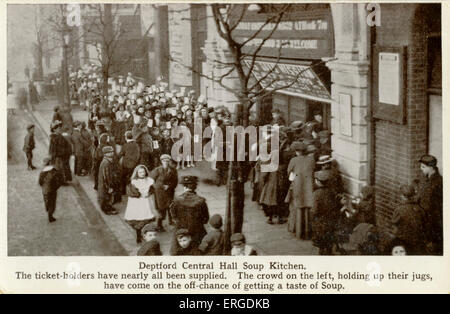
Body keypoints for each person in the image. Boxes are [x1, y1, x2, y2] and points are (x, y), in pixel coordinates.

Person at [169, 176, 209, 253]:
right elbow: (206, 219)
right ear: (195, 187)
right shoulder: (201, 201)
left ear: (184, 187)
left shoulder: (176, 201)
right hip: (197, 231)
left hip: (180, 230)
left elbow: (173, 217)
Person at [286, 141, 315, 239]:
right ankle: (308, 232)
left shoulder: (294, 160)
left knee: (298, 209)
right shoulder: (311, 159)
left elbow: (289, 173)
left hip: (298, 186)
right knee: (307, 208)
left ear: (297, 151)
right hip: (309, 187)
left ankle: (298, 232)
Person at [415, 155, 443, 255]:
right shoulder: (428, 178)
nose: (420, 169)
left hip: (431, 221)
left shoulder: (437, 183)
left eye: (423, 167)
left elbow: (433, 206)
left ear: (431, 168)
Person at [124, 164, 159, 243]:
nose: (142, 174)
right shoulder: (134, 182)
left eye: (143, 172)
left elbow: (152, 189)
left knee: (147, 218)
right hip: (137, 203)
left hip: (147, 202)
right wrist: (139, 194)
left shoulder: (149, 180)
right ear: (137, 173)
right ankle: (138, 236)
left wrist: (149, 193)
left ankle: (147, 234)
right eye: (140, 172)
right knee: (138, 219)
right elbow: (132, 192)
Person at [391, 184, 427, 255]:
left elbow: (394, 226)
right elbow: (425, 224)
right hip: (418, 243)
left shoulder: (399, 209)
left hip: (404, 243)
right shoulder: (420, 209)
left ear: (402, 196)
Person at [311, 170, 340, 255]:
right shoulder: (331, 192)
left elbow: (314, 209)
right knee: (329, 239)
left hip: (320, 221)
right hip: (330, 220)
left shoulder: (316, 194)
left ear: (318, 181)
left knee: (321, 241)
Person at [151, 154, 178, 230]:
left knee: (170, 206)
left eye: (167, 161)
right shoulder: (157, 170)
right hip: (160, 193)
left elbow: (175, 181)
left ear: (169, 161)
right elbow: (151, 180)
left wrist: (169, 186)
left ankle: (171, 220)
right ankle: (159, 225)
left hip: (169, 192)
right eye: (164, 161)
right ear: (161, 161)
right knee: (161, 208)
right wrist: (157, 186)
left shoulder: (173, 170)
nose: (165, 162)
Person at [38, 157, 64, 222]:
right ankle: (50, 214)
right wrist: (56, 186)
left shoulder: (42, 172)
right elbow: (60, 180)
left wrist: (43, 186)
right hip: (52, 189)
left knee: (47, 201)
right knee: (52, 202)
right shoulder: (54, 171)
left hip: (45, 190)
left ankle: (48, 211)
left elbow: (40, 182)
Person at [97, 146, 118, 215]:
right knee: (105, 196)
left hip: (107, 183)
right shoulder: (105, 163)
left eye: (112, 151)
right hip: (105, 184)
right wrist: (108, 187)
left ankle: (108, 207)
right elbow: (105, 176)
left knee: (108, 197)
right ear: (105, 154)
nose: (112, 153)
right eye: (110, 152)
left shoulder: (109, 161)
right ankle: (106, 210)